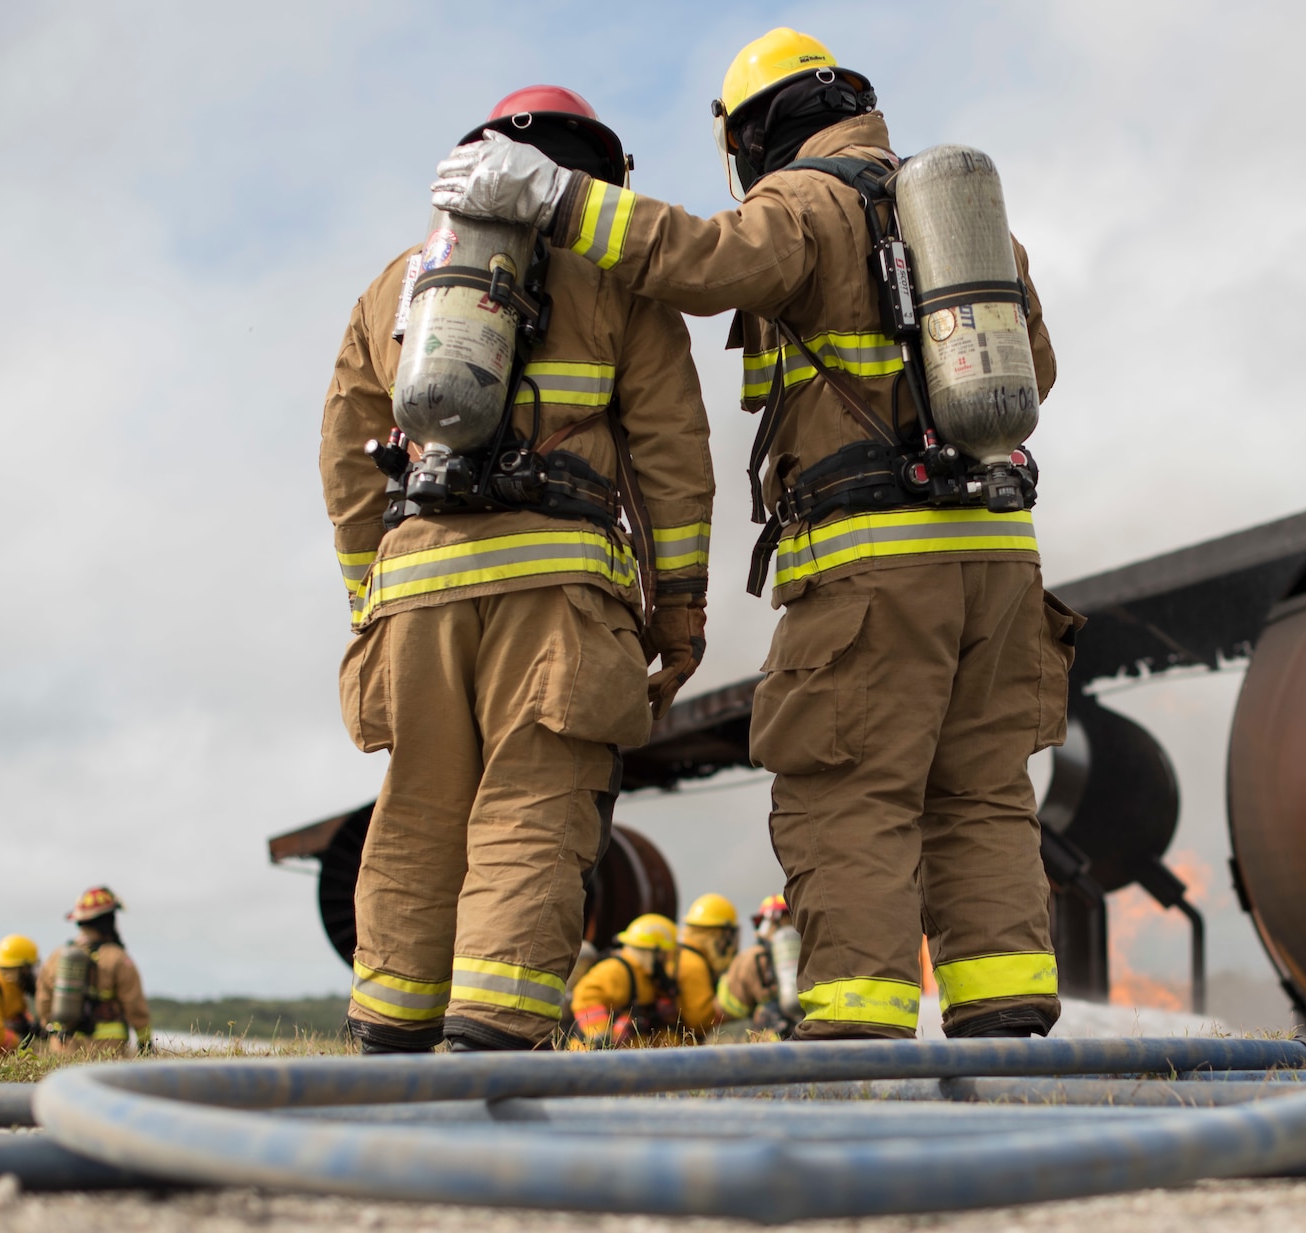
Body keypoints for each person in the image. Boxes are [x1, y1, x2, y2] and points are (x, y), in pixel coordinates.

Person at [428, 30, 1077, 1040]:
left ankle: (855, 1033)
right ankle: (1003, 1011)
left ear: (753, 133)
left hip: (870, 565)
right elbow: (1031, 370)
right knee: (980, 791)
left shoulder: (806, 201)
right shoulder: (968, 230)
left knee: (848, 792)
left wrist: (556, 201)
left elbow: (705, 261)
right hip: (998, 563)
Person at [324, 86, 715, 1055]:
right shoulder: (618, 285)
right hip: (558, 597)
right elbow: (673, 458)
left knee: (416, 810)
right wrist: (676, 618)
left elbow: (343, 454)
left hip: (413, 592)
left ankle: (387, 1038)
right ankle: (488, 1042)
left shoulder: (397, 285)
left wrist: (364, 595)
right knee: (531, 812)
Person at [37, 886, 153, 1054]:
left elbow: (44, 1000)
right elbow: (135, 1006)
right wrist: (146, 1043)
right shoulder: (119, 959)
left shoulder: (58, 956)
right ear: (109, 920)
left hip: (63, 1048)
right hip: (107, 1050)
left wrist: (53, 1030)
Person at [569, 914, 681, 1047]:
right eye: (664, 955)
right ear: (651, 952)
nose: (666, 961)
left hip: (627, 1057)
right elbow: (585, 995)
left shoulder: (643, 975)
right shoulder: (616, 970)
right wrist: (601, 1038)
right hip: (596, 1058)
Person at [715, 894, 802, 1039]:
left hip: (766, 1036)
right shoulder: (811, 950)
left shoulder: (749, 957)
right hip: (808, 1030)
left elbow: (727, 1007)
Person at [675, 893, 739, 1036]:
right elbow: (700, 1021)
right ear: (718, 934)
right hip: (677, 1048)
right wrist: (736, 1009)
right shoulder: (694, 964)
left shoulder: (685, 955)